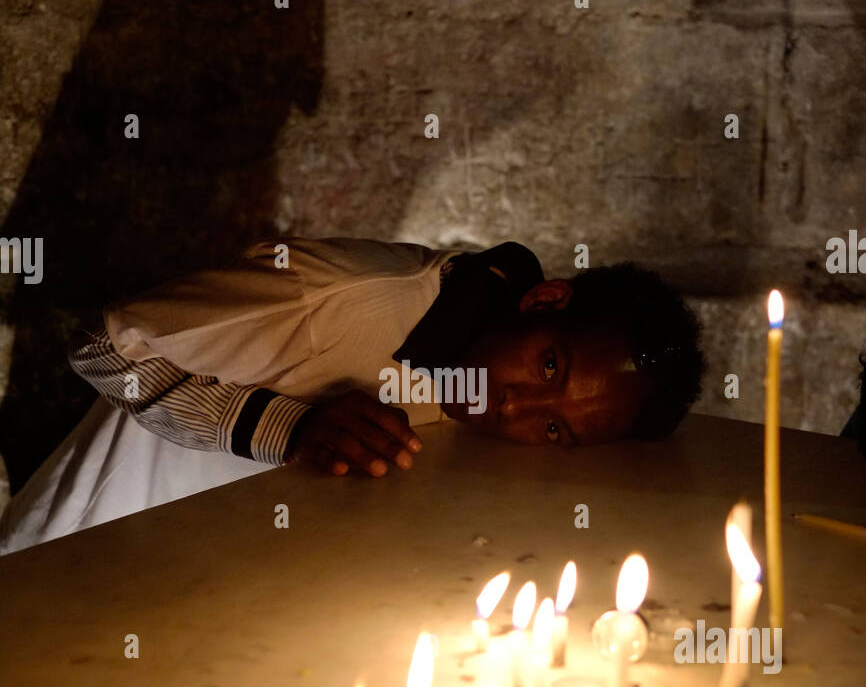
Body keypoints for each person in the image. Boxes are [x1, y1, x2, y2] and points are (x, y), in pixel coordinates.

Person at [0, 235, 703, 553]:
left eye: (556, 432)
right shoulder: (340, 298)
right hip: (82, 558)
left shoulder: (477, 374)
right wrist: (288, 429)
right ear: (545, 301)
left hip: (206, 598)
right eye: (549, 367)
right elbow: (102, 345)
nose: (516, 408)